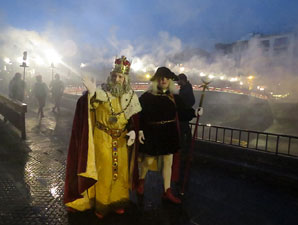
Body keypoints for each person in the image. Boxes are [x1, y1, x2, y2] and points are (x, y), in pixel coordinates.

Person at [64, 56, 142, 219]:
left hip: (121, 139)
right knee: (105, 171)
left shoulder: (131, 96)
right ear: (110, 76)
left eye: (120, 77)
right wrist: (90, 93)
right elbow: (87, 106)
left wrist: (134, 131)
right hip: (102, 136)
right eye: (114, 75)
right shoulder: (100, 92)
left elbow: (133, 119)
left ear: (125, 79)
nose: (116, 79)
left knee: (120, 172)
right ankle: (102, 203)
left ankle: (118, 201)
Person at [136, 67, 203, 204]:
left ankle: (167, 191)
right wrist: (141, 130)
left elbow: (184, 112)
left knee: (168, 163)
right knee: (147, 161)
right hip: (152, 132)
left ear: (170, 80)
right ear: (156, 80)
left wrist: (195, 113)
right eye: (161, 77)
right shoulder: (147, 97)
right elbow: (140, 115)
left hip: (169, 133)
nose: (163, 80)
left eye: (166, 77)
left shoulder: (174, 97)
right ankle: (141, 182)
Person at [177, 73, 196, 162]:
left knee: (183, 134)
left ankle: (184, 154)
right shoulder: (186, 88)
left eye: (178, 80)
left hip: (183, 115)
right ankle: (186, 154)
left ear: (182, 80)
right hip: (184, 115)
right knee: (185, 133)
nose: (177, 82)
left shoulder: (186, 90)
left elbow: (190, 101)